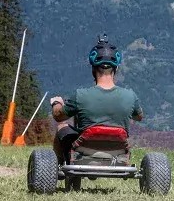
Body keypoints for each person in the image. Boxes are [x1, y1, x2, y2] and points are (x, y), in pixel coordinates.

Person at [50, 34, 143, 164]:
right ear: (115, 68)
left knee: (62, 127)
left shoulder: (80, 95)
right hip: (117, 152)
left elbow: (58, 116)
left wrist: (56, 103)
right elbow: (139, 117)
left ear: (93, 68)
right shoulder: (130, 96)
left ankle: (58, 167)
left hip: (84, 150)